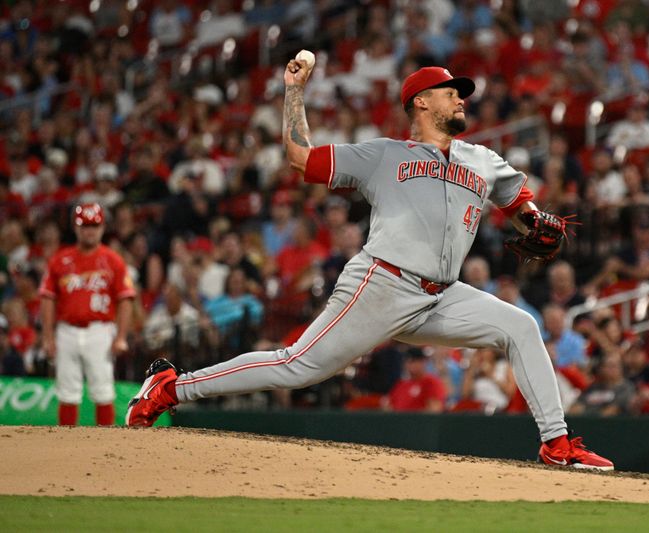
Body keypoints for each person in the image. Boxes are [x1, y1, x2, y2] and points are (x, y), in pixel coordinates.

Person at [126, 59, 613, 470]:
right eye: (450, 93)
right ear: (421, 102)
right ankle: (172, 387)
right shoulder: (383, 155)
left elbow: (517, 198)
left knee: (520, 326)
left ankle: (556, 442)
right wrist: (294, 92)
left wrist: (531, 219)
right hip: (381, 284)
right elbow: (300, 158)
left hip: (440, 294)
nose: (461, 99)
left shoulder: (481, 159)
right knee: (298, 366)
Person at [39, 203, 135, 425]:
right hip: (66, 330)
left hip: (99, 330)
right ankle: (66, 444)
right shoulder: (60, 259)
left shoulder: (113, 260)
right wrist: (47, 336)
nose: (89, 231)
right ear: (76, 227)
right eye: (85, 226)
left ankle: (103, 447)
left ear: (102, 228)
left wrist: (120, 336)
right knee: (67, 391)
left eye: (94, 225)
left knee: (103, 389)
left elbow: (126, 299)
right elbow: (47, 298)